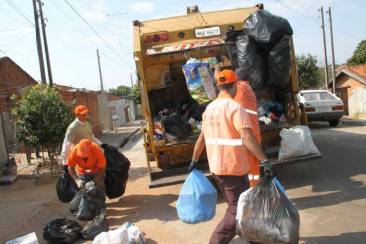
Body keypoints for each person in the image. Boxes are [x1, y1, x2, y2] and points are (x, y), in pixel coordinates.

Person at [189, 70, 272, 244]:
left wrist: (195, 160)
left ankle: (252, 237)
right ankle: (216, 241)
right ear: (235, 84)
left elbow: (201, 138)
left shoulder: (209, 109)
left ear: (218, 86)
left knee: (242, 205)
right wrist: (264, 160)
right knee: (236, 210)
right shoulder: (235, 107)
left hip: (218, 169)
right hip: (233, 168)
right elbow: (246, 137)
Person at [234, 68, 262, 187]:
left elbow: (225, 87)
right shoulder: (247, 88)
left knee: (251, 168)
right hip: (253, 133)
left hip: (248, 135)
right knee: (253, 167)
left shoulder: (241, 88)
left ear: (238, 79)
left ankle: (253, 192)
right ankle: (254, 189)